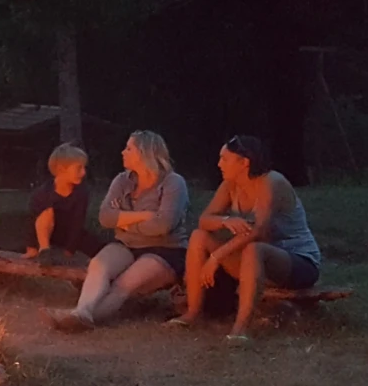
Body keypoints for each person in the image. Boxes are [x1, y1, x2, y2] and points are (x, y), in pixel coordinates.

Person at [173, 136, 324, 342]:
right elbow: (204, 221)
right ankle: (192, 313)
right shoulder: (230, 185)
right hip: (252, 261)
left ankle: (240, 328)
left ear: (244, 162)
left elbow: (259, 231)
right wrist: (226, 220)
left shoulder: (271, 182)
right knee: (199, 237)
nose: (219, 164)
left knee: (255, 249)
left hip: (296, 260)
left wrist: (217, 256)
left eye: (225, 159)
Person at [52, 130, 191, 332]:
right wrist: (144, 216)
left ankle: (80, 317)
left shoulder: (173, 183)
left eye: (129, 148)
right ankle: (80, 314)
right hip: (127, 243)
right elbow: (105, 217)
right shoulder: (122, 180)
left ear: (145, 152)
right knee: (99, 265)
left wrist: (124, 222)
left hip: (164, 248)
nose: (123, 152)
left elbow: (164, 226)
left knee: (122, 285)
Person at [26, 143, 100, 260]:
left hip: (69, 235)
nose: (83, 173)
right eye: (78, 168)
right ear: (61, 169)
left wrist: (69, 250)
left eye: (84, 168)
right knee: (46, 214)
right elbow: (32, 221)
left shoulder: (81, 193)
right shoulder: (43, 193)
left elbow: (78, 222)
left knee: (97, 246)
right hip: (49, 235)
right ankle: (44, 250)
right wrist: (31, 247)